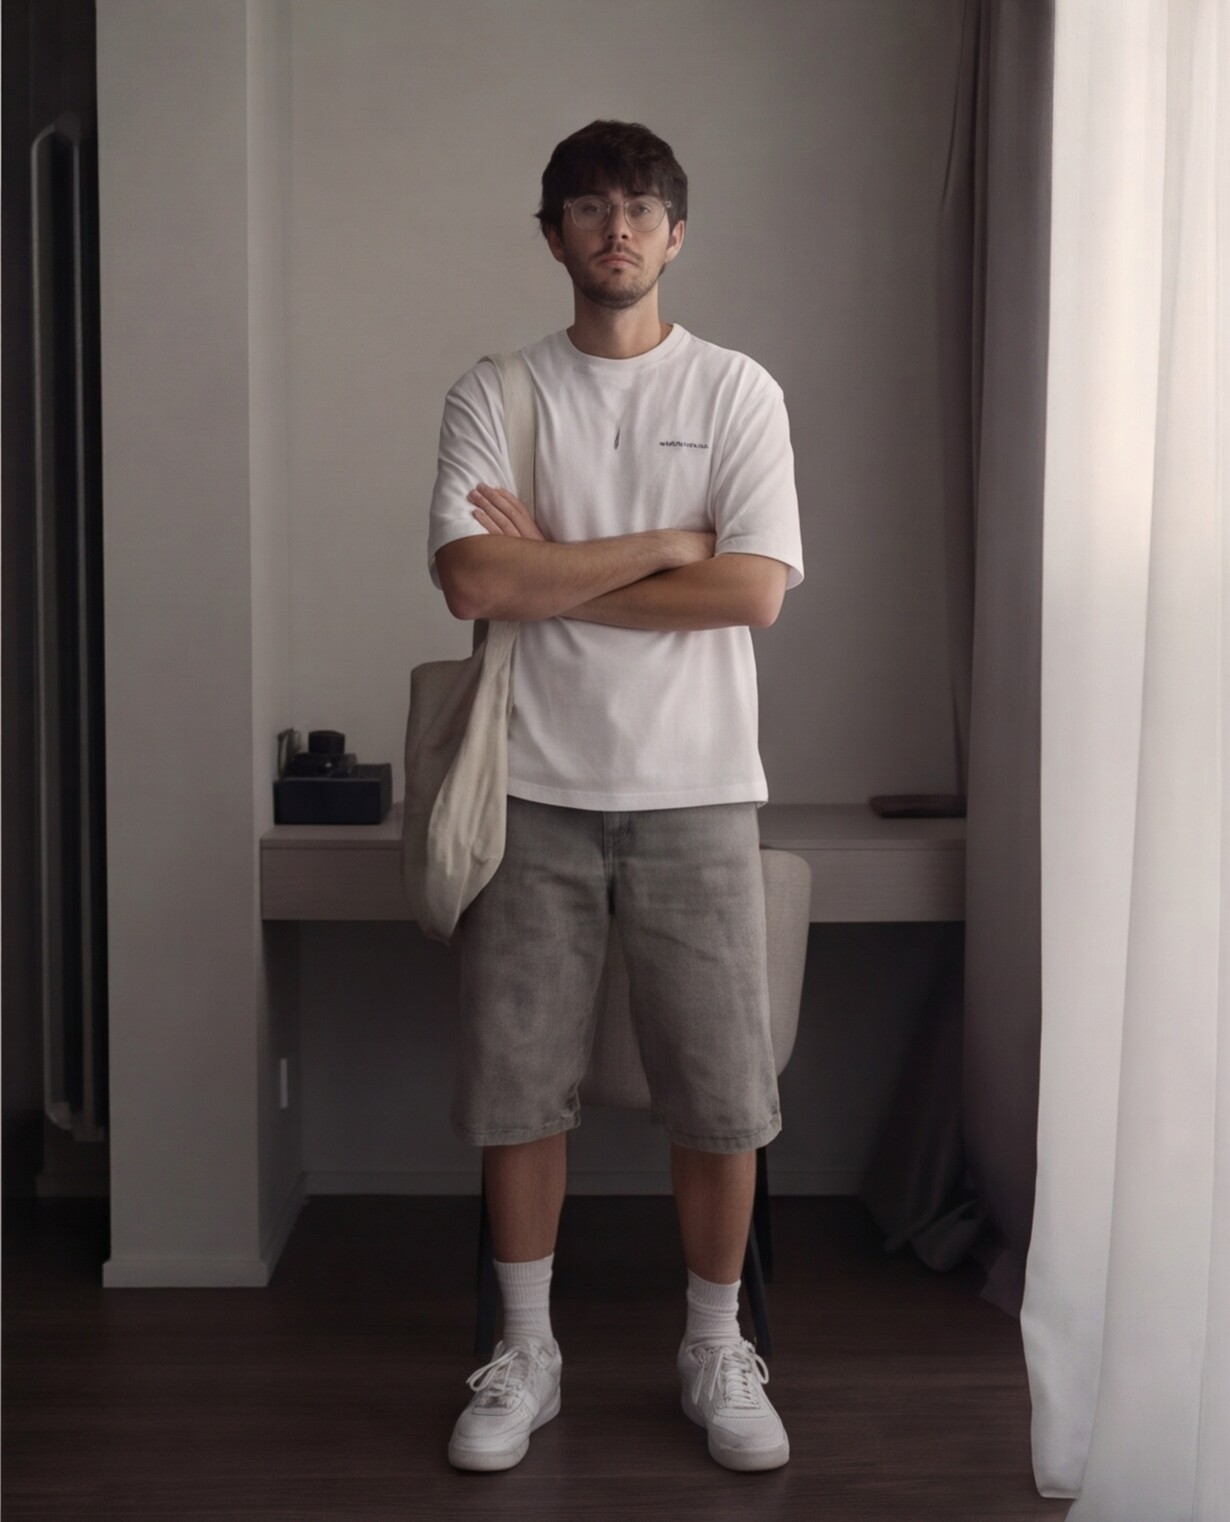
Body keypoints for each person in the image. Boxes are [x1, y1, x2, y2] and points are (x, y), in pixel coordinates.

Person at [426, 119, 804, 1474]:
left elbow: (751, 591)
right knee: (519, 1092)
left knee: (720, 1095)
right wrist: (659, 545)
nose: (617, 231)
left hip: (700, 796)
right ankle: (525, 1354)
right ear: (551, 236)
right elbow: (475, 581)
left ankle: (714, 1346)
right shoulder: (499, 393)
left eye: (641, 208)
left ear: (676, 233)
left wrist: (563, 569)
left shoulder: (738, 392)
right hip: (529, 790)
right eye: (588, 209)